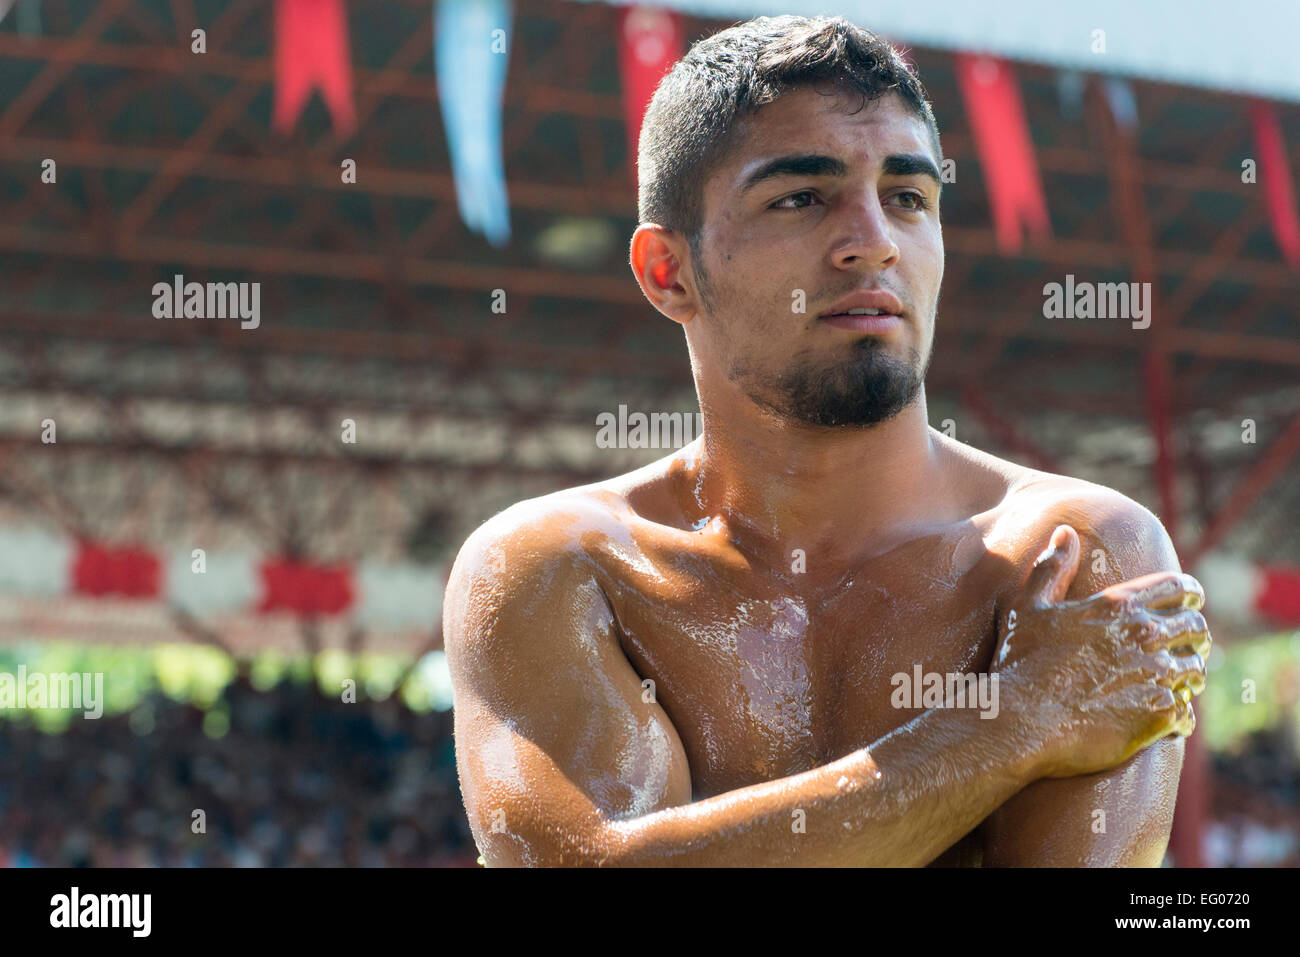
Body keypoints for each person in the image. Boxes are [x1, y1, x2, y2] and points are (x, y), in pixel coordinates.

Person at [444, 15, 1210, 866]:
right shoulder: (558, 568)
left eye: (908, 197)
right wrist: (1010, 725)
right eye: (801, 198)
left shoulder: (1079, 554)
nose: (874, 243)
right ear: (670, 272)